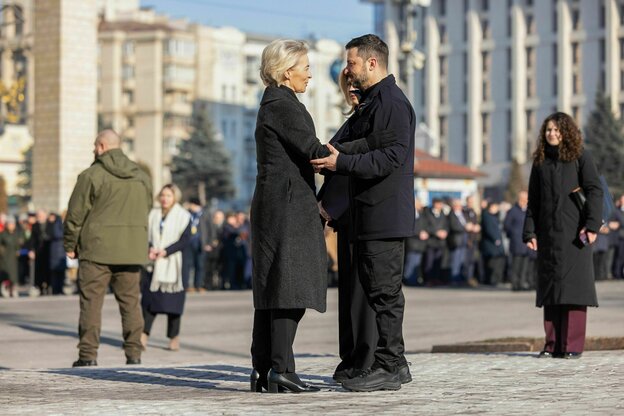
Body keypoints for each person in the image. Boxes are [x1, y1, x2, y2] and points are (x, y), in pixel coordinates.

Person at [250, 39, 378, 393]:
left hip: (277, 204)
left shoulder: (274, 104)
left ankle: (265, 369)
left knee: (275, 288)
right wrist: (364, 148)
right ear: (286, 70)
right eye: (305, 67)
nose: (309, 75)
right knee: (290, 288)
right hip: (288, 207)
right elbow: (314, 153)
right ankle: (281, 368)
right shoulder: (284, 105)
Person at [311, 34, 416, 392]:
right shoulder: (375, 103)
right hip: (370, 215)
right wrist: (331, 157)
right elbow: (368, 144)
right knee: (377, 292)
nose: (348, 70)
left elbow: (391, 157)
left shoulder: (391, 103)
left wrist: (341, 161)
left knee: (385, 295)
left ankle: (388, 366)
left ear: (372, 63)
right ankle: (394, 362)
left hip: (384, 215)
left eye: (352, 63)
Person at [317, 70, 396, 384]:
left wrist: (327, 206)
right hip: (346, 216)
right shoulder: (354, 121)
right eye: (347, 85)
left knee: (363, 294)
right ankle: (350, 358)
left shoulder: (370, 118)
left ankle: (363, 359)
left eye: (355, 85)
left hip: (358, 211)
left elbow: (354, 169)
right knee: (349, 293)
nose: (352, 90)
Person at [64, 129, 152, 367]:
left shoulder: (91, 175)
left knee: (91, 303)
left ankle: (88, 356)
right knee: (131, 303)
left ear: (102, 146)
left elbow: (75, 215)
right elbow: (147, 208)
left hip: (96, 251)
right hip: (132, 251)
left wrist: (70, 244)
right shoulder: (142, 177)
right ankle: (134, 355)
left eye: (95, 146)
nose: (93, 150)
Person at [523, 112, 603, 359]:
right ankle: (552, 344)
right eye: (548, 130)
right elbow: (533, 201)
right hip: (548, 235)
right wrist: (529, 231)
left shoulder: (580, 156)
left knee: (573, 290)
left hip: (575, 234)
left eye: (557, 130)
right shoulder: (540, 161)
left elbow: (594, 190)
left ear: (566, 132)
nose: (552, 134)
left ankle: (572, 345)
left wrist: (591, 226)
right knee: (551, 290)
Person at [141, 184, 191, 352]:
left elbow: (184, 240)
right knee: (149, 302)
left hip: (174, 265)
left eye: (168, 195)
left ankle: (173, 337)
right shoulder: (153, 214)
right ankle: (143, 334)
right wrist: (150, 248)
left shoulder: (183, 216)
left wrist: (166, 251)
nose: (164, 198)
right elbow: (145, 234)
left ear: (174, 197)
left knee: (174, 304)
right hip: (154, 264)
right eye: (162, 195)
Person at [503, 191, 536, 291]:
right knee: (516, 265)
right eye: (524, 198)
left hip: (527, 244)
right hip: (516, 243)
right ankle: (515, 284)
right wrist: (513, 234)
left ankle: (522, 283)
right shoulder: (513, 211)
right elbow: (506, 226)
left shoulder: (528, 211)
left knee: (525, 266)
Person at [181, 197, 208, 292]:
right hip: (188, 243)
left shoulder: (204, 215)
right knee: (188, 265)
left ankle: (199, 285)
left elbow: (210, 228)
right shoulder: (186, 214)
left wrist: (209, 242)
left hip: (200, 243)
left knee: (200, 265)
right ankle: (188, 285)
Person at [422, 198, 449, 286]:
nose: (439, 206)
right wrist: (435, 232)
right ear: (434, 204)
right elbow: (425, 226)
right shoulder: (427, 213)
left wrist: (445, 232)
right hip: (431, 242)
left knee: (438, 262)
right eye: (438, 204)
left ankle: (436, 279)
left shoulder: (443, 214)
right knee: (429, 262)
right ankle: (427, 279)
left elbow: (446, 225)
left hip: (440, 243)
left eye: (441, 204)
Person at [480, 201, 506, 286]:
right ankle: (490, 280)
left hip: (496, 245)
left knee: (497, 263)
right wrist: (496, 239)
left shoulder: (494, 216)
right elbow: (489, 229)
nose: (497, 208)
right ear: (491, 207)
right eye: (495, 207)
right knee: (491, 263)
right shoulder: (486, 216)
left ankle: (496, 279)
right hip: (491, 244)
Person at [403, 198, 428, 286]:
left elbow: (425, 225)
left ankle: (414, 280)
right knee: (411, 262)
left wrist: (425, 232)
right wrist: (419, 233)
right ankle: (407, 279)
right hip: (413, 242)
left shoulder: (421, 214)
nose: (421, 205)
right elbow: (408, 227)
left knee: (417, 263)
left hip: (420, 244)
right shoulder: (409, 214)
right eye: (419, 203)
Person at [447, 198, 470, 286]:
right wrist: (465, 227)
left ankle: (460, 277)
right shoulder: (452, 214)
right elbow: (453, 226)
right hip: (456, 240)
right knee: (455, 260)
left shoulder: (462, 214)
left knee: (461, 260)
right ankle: (454, 278)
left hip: (464, 239)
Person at [0, 216, 23, 298]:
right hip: (4, 258)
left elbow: (19, 244)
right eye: (10, 224)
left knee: (13, 275)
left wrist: (19, 250)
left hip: (14, 258)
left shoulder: (17, 234)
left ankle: (13, 290)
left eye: (13, 224)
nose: (11, 226)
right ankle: (4, 289)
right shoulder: (2, 234)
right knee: (5, 275)